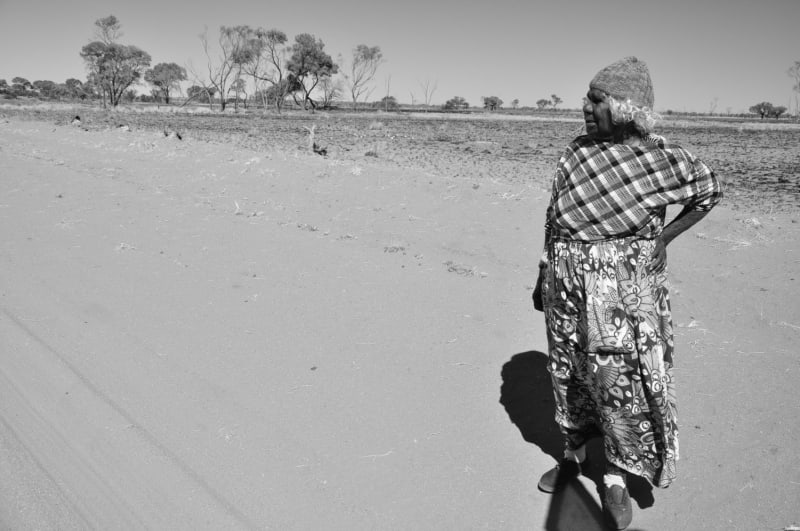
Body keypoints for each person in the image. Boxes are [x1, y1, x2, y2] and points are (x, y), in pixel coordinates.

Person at [532, 56, 722, 530]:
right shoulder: (575, 151)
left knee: (618, 381)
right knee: (569, 372)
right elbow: (554, 217)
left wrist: (665, 237)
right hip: (565, 283)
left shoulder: (660, 158)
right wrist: (542, 274)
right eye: (587, 97)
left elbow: (707, 190)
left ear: (622, 107)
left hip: (617, 290)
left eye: (595, 100)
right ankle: (574, 454)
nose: (585, 106)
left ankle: (616, 475)